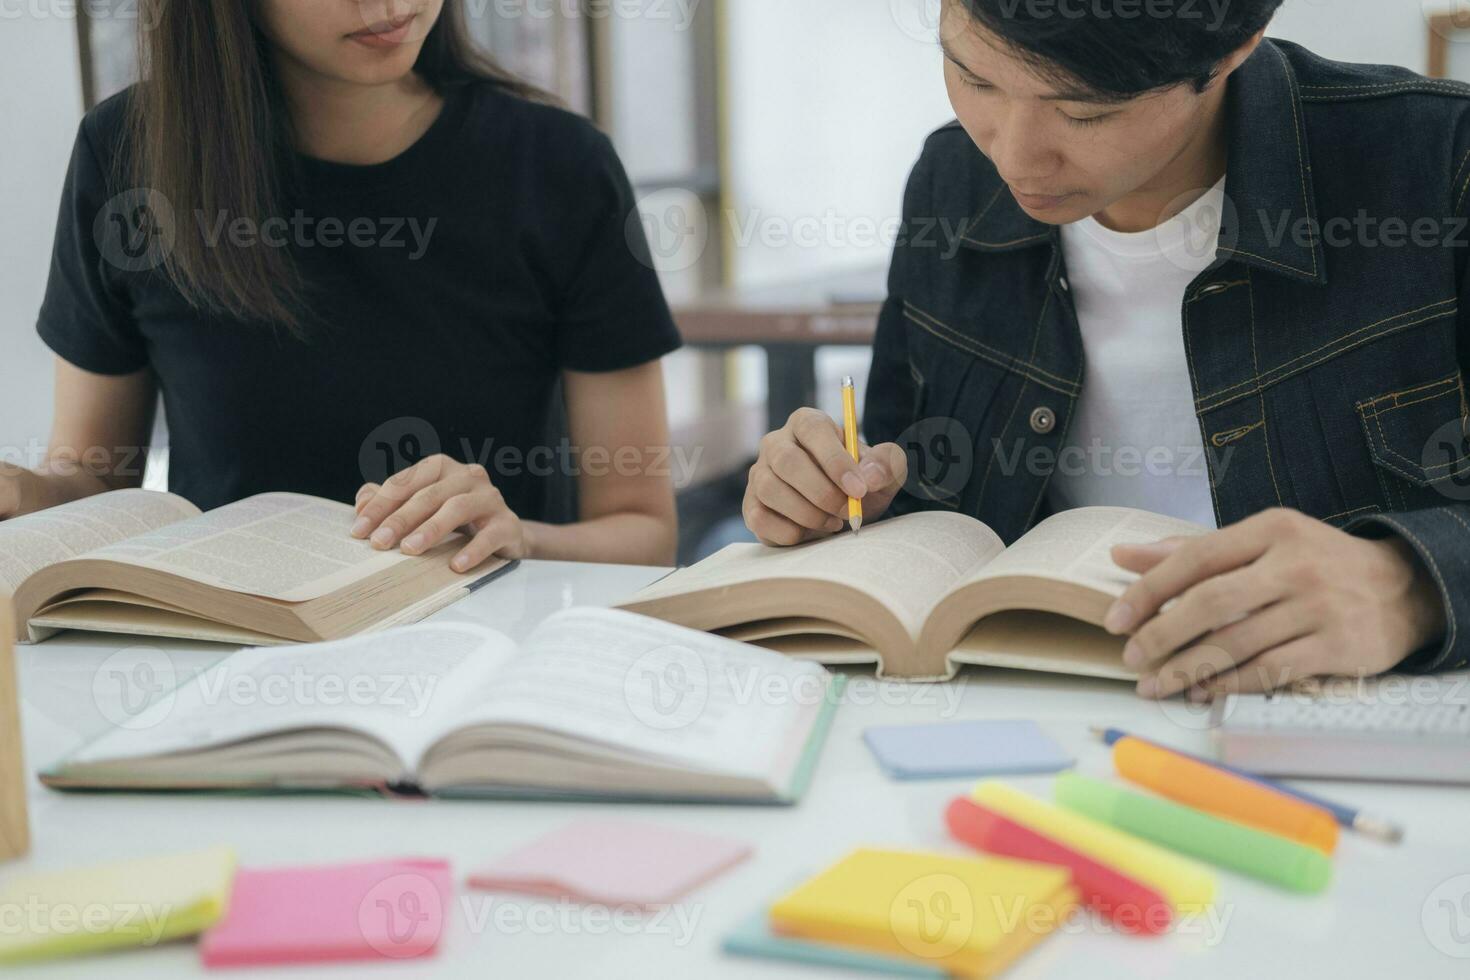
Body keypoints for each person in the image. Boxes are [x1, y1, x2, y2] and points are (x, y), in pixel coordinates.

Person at [744, 0, 1470, 698]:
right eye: (974, 78)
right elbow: (900, 488)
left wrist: (1408, 586)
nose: (1016, 158)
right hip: (1018, 724)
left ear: (1232, 49)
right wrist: (827, 500)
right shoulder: (950, 181)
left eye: (1084, 110)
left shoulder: (1438, 166)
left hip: (1323, 742)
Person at [2, 0, 681, 569]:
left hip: (484, 659)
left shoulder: (560, 166)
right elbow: (95, 481)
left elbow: (643, 531)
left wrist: (521, 539)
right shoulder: (127, 156)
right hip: (223, 659)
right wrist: (25, 495)